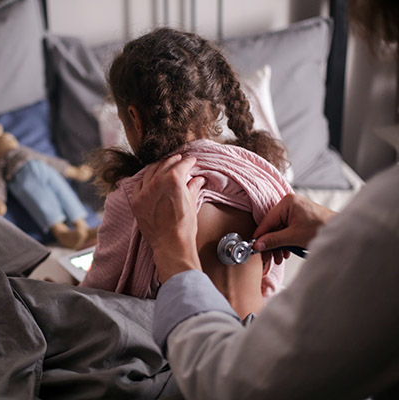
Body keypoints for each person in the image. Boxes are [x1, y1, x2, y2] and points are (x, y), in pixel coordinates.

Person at [130, 1, 399, 397]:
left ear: (133, 119)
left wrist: (175, 256)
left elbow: (233, 384)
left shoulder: (136, 193)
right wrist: (337, 229)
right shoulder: (267, 179)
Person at [79, 27, 293, 318]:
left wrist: (66, 294)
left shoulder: (138, 196)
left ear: (134, 118)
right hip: (257, 332)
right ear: (215, 108)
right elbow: (270, 281)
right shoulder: (262, 176)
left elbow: (97, 296)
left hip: (181, 341)